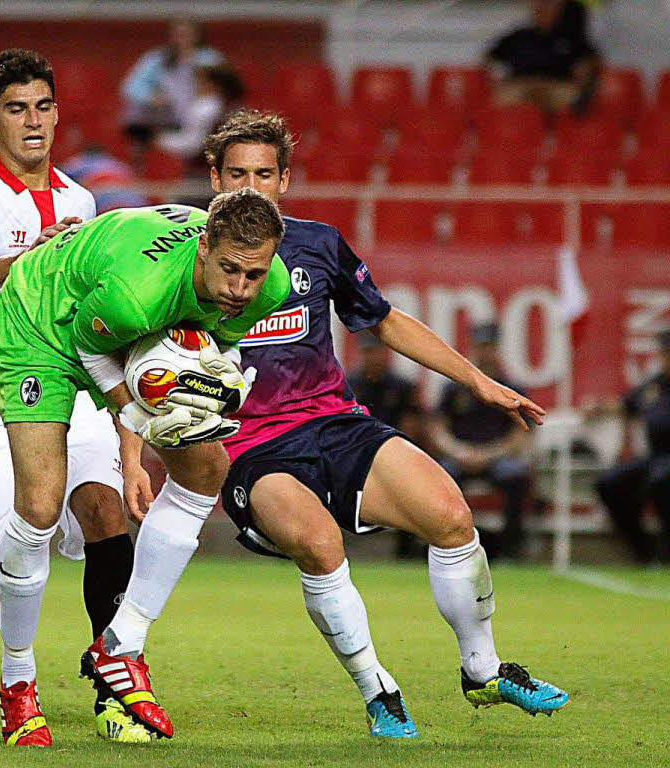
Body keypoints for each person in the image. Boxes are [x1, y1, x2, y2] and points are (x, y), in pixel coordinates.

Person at [202, 110, 567, 739]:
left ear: (285, 179)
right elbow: (136, 348)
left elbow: (384, 320)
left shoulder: (319, 244)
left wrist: (477, 380)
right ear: (214, 179)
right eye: (237, 175)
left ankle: (483, 670)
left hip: (336, 422)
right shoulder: (184, 251)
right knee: (320, 544)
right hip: (252, 446)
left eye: (265, 174)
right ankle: (380, 690)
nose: (251, 188)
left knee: (452, 516)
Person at [0, 49, 151, 744]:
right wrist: (31, 259)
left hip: (64, 392)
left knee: (105, 513)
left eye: (43, 106)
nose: (32, 121)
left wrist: (128, 435)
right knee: (19, 561)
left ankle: (115, 685)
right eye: (16, 109)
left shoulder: (83, 201)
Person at [0, 188, 289, 745]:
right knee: (41, 503)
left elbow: (217, 348)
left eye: (253, 274)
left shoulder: (268, 287)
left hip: (128, 328)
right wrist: (136, 418)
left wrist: (218, 387)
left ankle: (119, 643)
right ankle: (17, 682)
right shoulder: (136, 295)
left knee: (205, 470)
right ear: (202, 251)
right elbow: (89, 345)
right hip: (40, 324)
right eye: (229, 272)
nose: (239, 289)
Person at [432, 322, 532, 560]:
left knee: (516, 475)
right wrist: (459, 451)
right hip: (460, 456)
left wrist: (488, 455)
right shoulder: (454, 387)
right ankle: (443, 546)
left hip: (496, 457)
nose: (485, 351)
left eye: (489, 346)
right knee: (438, 477)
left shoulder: (512, 388)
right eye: (481, 346)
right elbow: (438, 430)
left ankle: (511, 548)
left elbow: (519, 436)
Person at [346, 331, 425, 558]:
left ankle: (406, 547)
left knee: (408, 480)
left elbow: (410, 428)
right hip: (354, 452)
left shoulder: (401, 386)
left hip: (394, 451)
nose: (372, 356)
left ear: (385, 352)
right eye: (367, 351)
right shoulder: (349, 383)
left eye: (376, 350)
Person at [594, 329, 670, 564]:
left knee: (659, 481)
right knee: (609, 483)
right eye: (664, 353)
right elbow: (626, 404)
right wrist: (597, 407)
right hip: (656, 456)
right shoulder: (654, 387)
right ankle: (643, 546)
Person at [120, 19, 223, 165]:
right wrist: (151, 97)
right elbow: (130, 88)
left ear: (198, 35)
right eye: (179, 34)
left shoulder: (209, 59)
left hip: (199, 113)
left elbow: (223, 87)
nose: (184, 38)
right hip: (166, 115)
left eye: (188, 34)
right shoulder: (158, 59)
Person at [486, 0, 601, 116]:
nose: (542, 11)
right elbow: (491, 58)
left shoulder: (571, 37)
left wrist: (583, 74)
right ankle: (512, 129)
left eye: (548, 7)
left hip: (556, 86)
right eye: (539, 8)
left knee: (571, 96)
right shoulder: (519, 36)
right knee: (504, 96)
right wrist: (498, 74)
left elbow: (589, 61)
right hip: (522, 85)